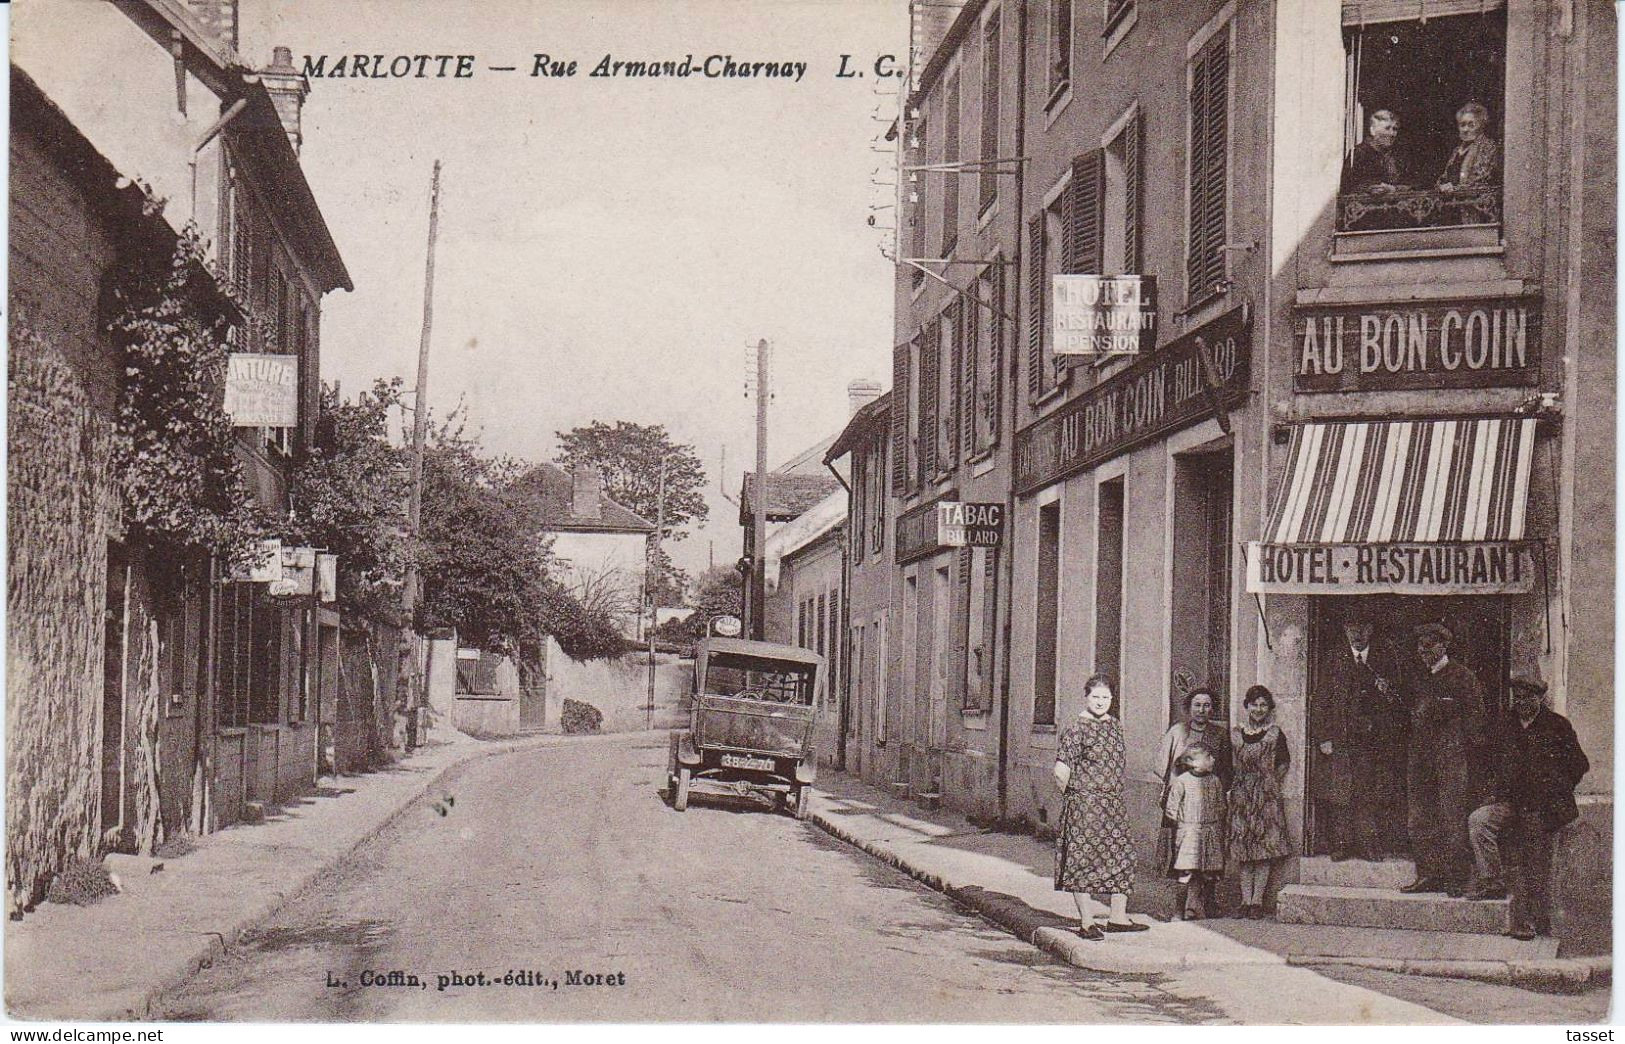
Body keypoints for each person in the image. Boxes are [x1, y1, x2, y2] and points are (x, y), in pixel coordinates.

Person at [1466, 674, 1589, 940]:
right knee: (1479, 821)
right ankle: (1492, 881)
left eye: (1528, 697)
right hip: (1510, 803)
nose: (1521, 702)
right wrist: (1492, 792)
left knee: (1532, 859)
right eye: (1517, 696)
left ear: (1540, 698)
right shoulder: (1504, 725)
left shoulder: (1557, 726)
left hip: (1543, 807)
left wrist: (1556, 792)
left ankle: (1530, 921)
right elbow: (1486, 760)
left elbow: (1579, 764)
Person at [1052, 674, 1148, 939]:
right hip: (1084, 805)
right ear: (1086, 696)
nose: (1101, 702)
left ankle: (1118, 918)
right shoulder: (1076, 728)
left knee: (1123, 856)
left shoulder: (1114, 726)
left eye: (1106, 697)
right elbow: (1061, 772)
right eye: (1096, 696)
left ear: (1112, 699)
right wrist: (1078, 797)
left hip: (1113, 805)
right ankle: (1086, 923)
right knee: (1082, 860)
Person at [1402, 622, 1488, 897]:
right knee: (1419, 818)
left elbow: (1476, 721)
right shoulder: (1418, 678)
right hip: (1420, 758)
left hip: (1451, 757)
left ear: (1444, 645)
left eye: (1429, 645)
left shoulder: (1463, 677)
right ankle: (1428, 875)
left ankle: (1455, 877)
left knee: (1451, 816)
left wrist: (1459, 746)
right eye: (1419, 646)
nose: (1422, 650)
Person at [1314, 614, 1407, 860]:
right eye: (1352, 627)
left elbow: (1399, 701)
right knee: (1341, 791)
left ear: (1371, 629)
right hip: (1341, 737)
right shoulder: (1334, 658)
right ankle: (1342, 843)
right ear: (1345, 629)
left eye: (1362, 627)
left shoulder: (1385, 659)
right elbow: (1322, 700)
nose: (1357, 634)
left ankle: (1369, 844)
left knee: (1369, 791)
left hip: (1372, 741)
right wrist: (1324, 736)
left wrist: (1388, 692)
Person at [1154, 688, 1233, 878]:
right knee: (1182, 854)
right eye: (1197, 705)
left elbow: (1227, 768)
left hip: (1209, 802)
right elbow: (1161, 765)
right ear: (1189, 708)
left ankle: (1207, 899)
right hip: (1182, 801)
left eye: (1207, 705)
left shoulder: (1220, 734)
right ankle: (1184, 900)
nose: (1201, 710)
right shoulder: (1177, 731)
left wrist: (1219, 792)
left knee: (1210, 854)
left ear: (1212, 709)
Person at [1229, 685, 1293, 919]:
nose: (1258, 709)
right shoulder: (1235, 734)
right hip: (1241, 797)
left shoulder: (1275, 734)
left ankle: (1257, 901)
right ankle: (1245, 901)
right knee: (1243, 850)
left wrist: (1269, 784)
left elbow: (1284, 763)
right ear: (1247, 706)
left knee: (1263, 850)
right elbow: (1229, 765)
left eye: (1263, 705)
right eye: (1254, 704)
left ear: (1269, 708)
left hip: (1266, 798)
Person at [1166, 746, 1227, 920]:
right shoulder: (1182, 781)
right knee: (1186, 871)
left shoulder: (1214, 781)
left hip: (1210, 831)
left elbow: (1221, 805)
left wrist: (1213, 823)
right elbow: (1172, 809)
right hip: (1189, 833)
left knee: (1210, 871)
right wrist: (1185, 825)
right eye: (1208, 757)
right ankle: (1179, 911)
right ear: (1192, 762)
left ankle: (1208, 907)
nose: (1213, 760)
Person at [1340, 108, 1408, 196]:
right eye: (1387, 128)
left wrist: (1395, 189)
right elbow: (1348, 188)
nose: (1392, 134)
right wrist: (1369, 189)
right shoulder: (1358, 154)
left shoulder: (1397, 155)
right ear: (1372, 130)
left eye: (1395, 129)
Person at [1437, 102, 1501, 191]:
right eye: (1462, 125)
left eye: (1471, 125)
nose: (1466, 129)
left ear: (1481, 126)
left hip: (1476, 201)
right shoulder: (1457, 151)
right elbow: (1444, 177)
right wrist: (1441, 186)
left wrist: (1455, 189)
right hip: (1452, 201)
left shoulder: (1488, 147)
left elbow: (1481, 178)